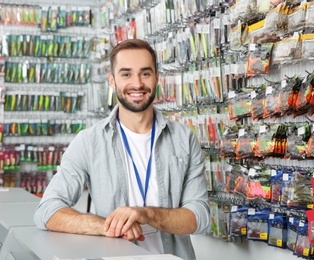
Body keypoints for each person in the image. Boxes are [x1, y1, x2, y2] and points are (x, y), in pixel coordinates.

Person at [34, 39, 210, 260]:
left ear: (157, 78)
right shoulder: (89, 142)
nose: (137, 84)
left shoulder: (184, 139)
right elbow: (47, 211)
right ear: (112, 80)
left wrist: (146, 214)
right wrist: (107, 226)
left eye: (145, 73)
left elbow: (200, 217)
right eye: (126, 74)